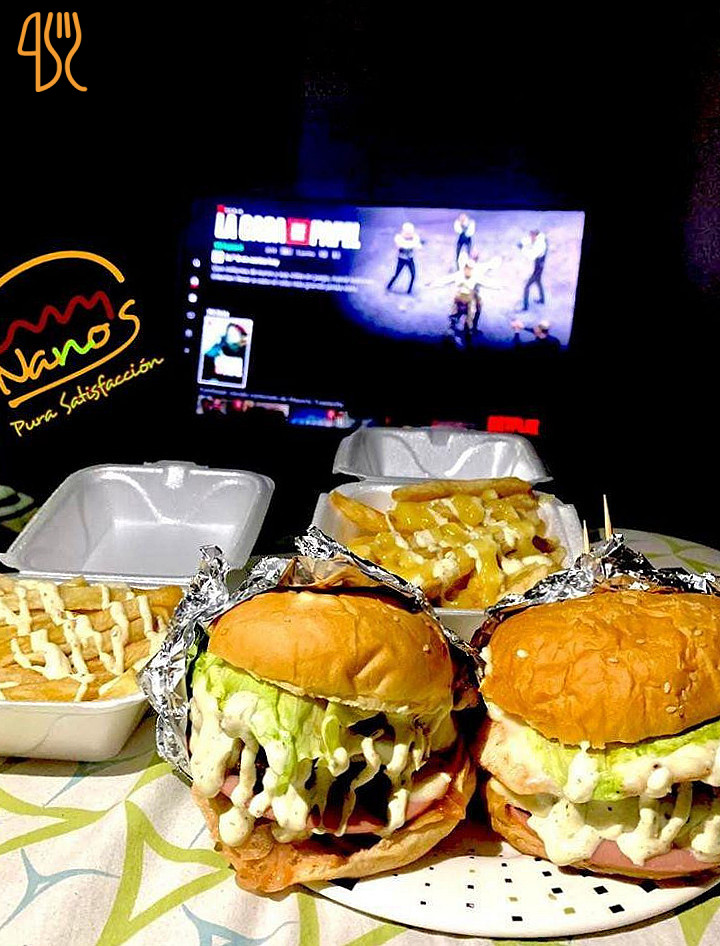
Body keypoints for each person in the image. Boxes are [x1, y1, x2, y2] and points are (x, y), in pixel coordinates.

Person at [449, 261, 482, 339]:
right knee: (459, 310)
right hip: (462, 298)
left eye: (470, 269)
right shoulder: (459, 276)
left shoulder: (475, 276)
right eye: (467, 269)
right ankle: (455, 324)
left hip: (470, 298)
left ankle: (470, 328)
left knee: (474, 309)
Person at [386, 222, 422, 294]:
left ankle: (409, 290)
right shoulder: (399, 239)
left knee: (413, 275)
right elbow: (404, 245)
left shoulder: (414, 238)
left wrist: (415, 244)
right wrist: (413, 244)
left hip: (410, 259)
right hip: (402, 259)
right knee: (396, 274)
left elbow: (418, 246)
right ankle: (389, 286)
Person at [518, 228, 548, 311]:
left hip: (538, 269)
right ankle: (542, 299)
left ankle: (525, 307)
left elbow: (531, 255)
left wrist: (522, 249)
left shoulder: (540, 245)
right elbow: (529, 240)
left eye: (532, 236)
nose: (530, 237)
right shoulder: (539, 238)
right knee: (538, 282)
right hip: (539, 267)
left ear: (535, 235)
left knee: (526, 287)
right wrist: (522, 243)